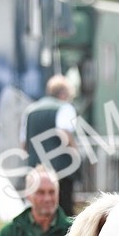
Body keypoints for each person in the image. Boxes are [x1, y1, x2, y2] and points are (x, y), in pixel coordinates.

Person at [21, 75, 79, 216]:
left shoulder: (30, 110)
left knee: (37, 211)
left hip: (36, 170)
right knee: (64, 212)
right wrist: (75, 153)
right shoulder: (65, 107)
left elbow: (23, 143)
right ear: (64, 93)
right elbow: (64, 134)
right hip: (61, 170)